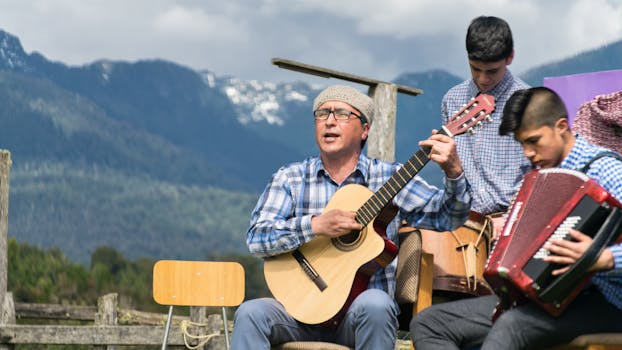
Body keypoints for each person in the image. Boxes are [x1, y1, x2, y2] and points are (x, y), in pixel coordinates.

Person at [231, 84, 472, 350]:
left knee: (377, 304)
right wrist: (316, 225)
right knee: (250, 313)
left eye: (342, 114)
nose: (330, 121)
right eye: (322, 113)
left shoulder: (390, 177)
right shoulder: (290, 177)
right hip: (296, 315)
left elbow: (449, 218)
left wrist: (453, 171)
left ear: (365, 129)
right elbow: (257, 239)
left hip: (358, 321)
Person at [410, 87, 622, 350]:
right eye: (522, 143)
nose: (528, 153)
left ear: (562, 126)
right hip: (538, 299)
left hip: (605, 301)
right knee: (429, 323)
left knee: (512, 325)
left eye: (534, 141)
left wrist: (602, 258)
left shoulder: (608, 171)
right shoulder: (539, 179)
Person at [418, 15, 532, 298]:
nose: (483, 79)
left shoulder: (530, 102)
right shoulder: (453, 99)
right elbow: (455, 183)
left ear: (510, 57)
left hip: (514, 229)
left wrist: (515, 218)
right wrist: (452, 171)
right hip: (464, 228)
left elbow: (542, 178)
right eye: (475, 68)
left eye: (491, 71)